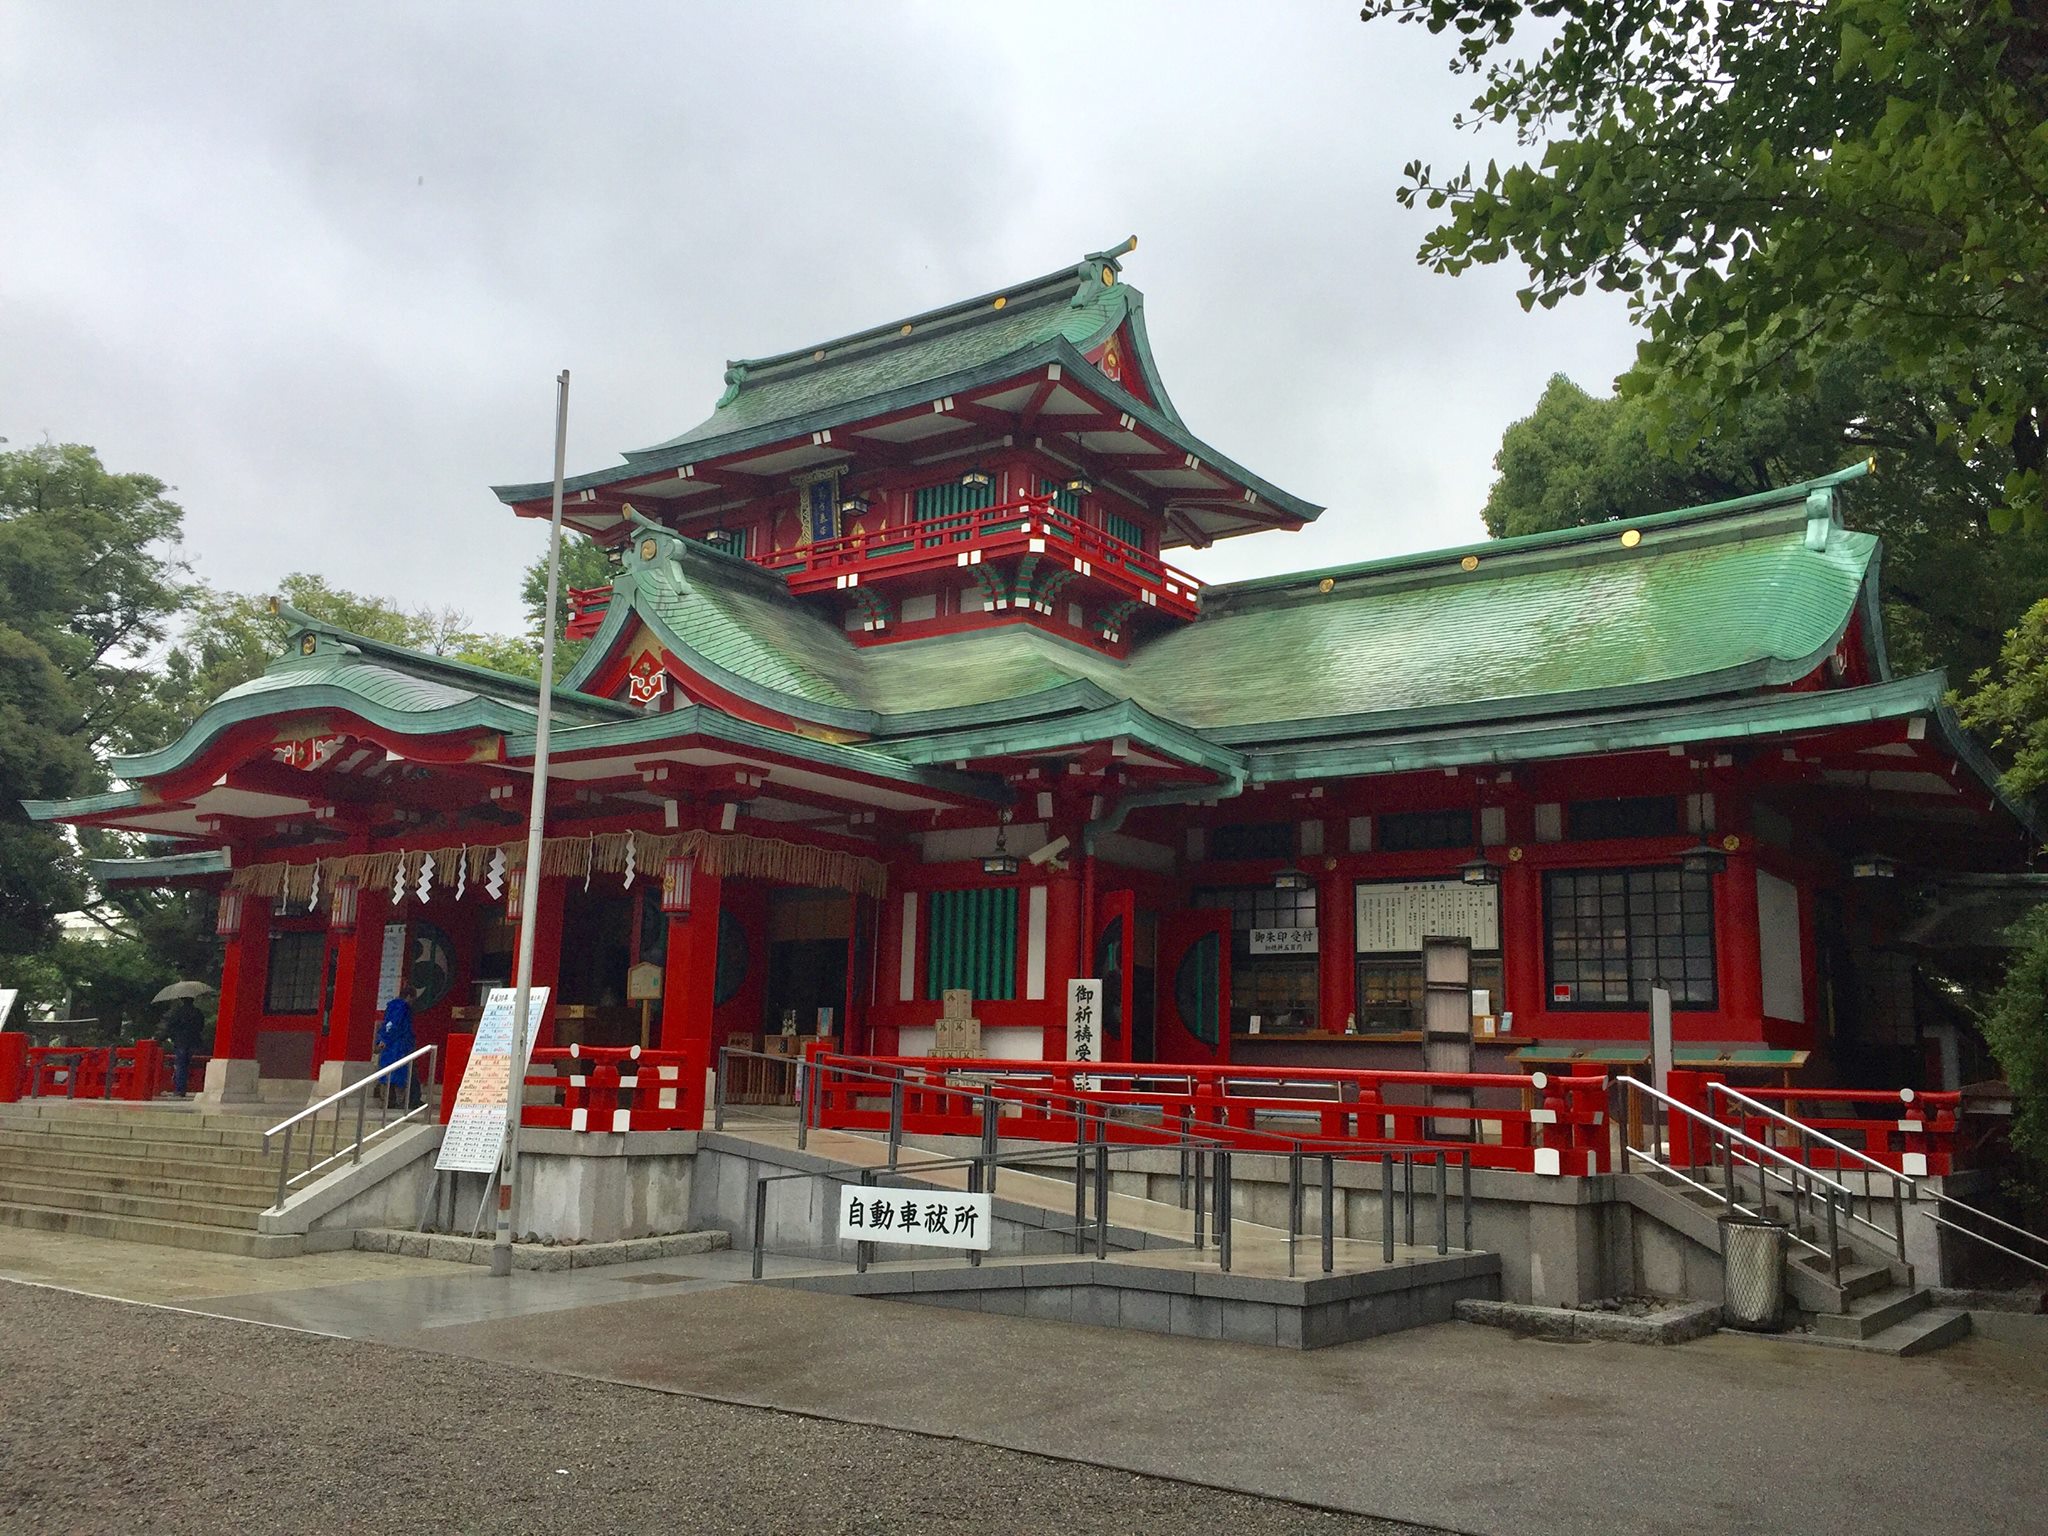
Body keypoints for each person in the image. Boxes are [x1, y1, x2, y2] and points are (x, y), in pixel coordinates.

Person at [374, 985, 417, 1109]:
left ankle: (390, 1100)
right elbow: (393, 1025)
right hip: (398, 1045)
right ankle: (397, 1101)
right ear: (409, 997)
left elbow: (387, 1024)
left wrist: (381, 1039)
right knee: (397, 1074)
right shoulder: (401, 1008)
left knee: (389, 1072)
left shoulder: (392, 1006)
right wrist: (386, 1039)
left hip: (392, 1045)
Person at [161, 996, 204, 1096]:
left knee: (180, 1065)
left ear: (182, 1000)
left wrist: (170, 1036)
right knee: (186, 1064)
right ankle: (183, 1088)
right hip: (193, 1041)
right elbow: (201, 1026)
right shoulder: (197, 1012)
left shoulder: (178, 1012)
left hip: (180, 1041)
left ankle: (179, 1089)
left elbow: (170, 1026)